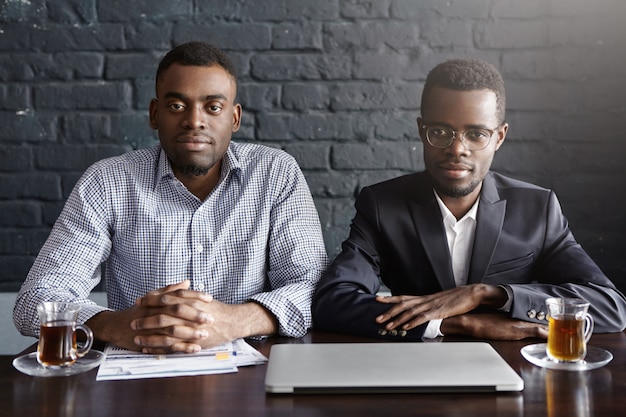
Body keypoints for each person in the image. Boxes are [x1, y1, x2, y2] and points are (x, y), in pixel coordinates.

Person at [14, 42, 328, 353]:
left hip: (250, 374)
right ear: (154, 114)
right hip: (138, 373)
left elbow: (316, 291)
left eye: (213, 107)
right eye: (177, 106)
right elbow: (36, 300)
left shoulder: (276, 173)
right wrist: (119, 325)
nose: (194, 120)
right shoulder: (107, 181)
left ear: (234, 118)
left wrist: (234, 321)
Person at [312, 58, 626, 341]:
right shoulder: (383, 205)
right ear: (422, 131)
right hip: (418, 372)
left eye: (476, 135)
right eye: (440, 132)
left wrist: (486, 295)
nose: (457, 149)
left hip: (514, 374)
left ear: (499, 137)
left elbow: (610, 307)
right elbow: (332, 302)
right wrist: (457, 324)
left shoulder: (537, 209)